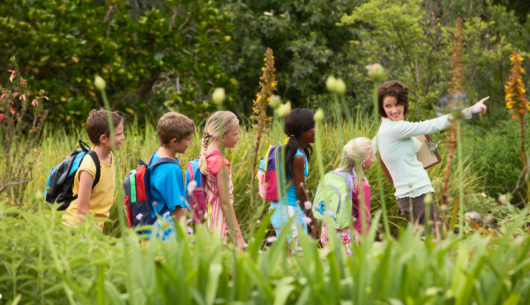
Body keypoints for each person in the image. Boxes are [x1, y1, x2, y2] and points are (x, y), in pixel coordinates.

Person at [372, 81, 488, 238]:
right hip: (415, 196)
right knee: (435, 245)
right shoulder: (395, 129)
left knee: (429, 246)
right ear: (382, 108)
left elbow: (370, 151)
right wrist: (470, 110)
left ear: (404, 103)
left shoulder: (384, 130)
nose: (394, 110)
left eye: (398, 104)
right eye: (388, 106)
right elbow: (433, 125)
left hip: (414, 196)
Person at [62, 109, 125, 231]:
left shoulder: (109, 156)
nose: (123, 137)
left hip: (94, 227)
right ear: (103, 138)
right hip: (77, 228)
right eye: (118, 134)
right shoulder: (89, 167)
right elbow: (82, 211)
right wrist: (95, 239)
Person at [198, 111, 246, 249]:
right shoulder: (221, 163)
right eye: (235, 134)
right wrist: (239, 237)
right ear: (223, 136)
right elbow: (225, 204)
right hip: (219, 225)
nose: (239, 137)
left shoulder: (204, 158)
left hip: (206, 223)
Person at [270, 108, 319, 244]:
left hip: (278, 209)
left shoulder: (283, 149)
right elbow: (301, 193)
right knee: (297, 258)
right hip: (290, 211)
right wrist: (313, 224)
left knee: (290, 256)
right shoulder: (297, 156)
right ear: (303, 131)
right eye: (314, 126)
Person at [320, 138, 375, 255]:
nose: (374, 159)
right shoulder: (361, 186)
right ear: (363, 162)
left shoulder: (333, 177)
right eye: (372, 156)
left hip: (328, 232)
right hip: (348, 238)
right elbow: (363, 221)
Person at [149, 112, 195, 241]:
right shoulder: (171, 169)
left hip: (153, 230)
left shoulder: (156, 156)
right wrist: (187, 243)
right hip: (168, 236)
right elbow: (178, 210)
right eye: (188, 138)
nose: (191, 142)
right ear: (174, 141)